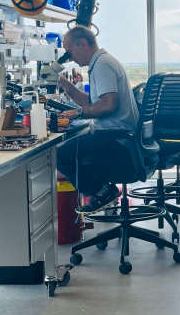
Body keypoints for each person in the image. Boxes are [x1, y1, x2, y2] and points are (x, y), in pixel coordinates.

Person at [55, 26, 139, 214]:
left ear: (83, 44)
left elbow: (108, 106)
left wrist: (76, 113)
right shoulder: (101, 62)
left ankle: (103, 192)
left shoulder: (102, 64)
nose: (70, 58)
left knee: (59, 154)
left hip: (117, 139)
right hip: (120, 136)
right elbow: (93, 102)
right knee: (71, 148)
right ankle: (102, 190)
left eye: (70, 52)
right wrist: (65, 85)